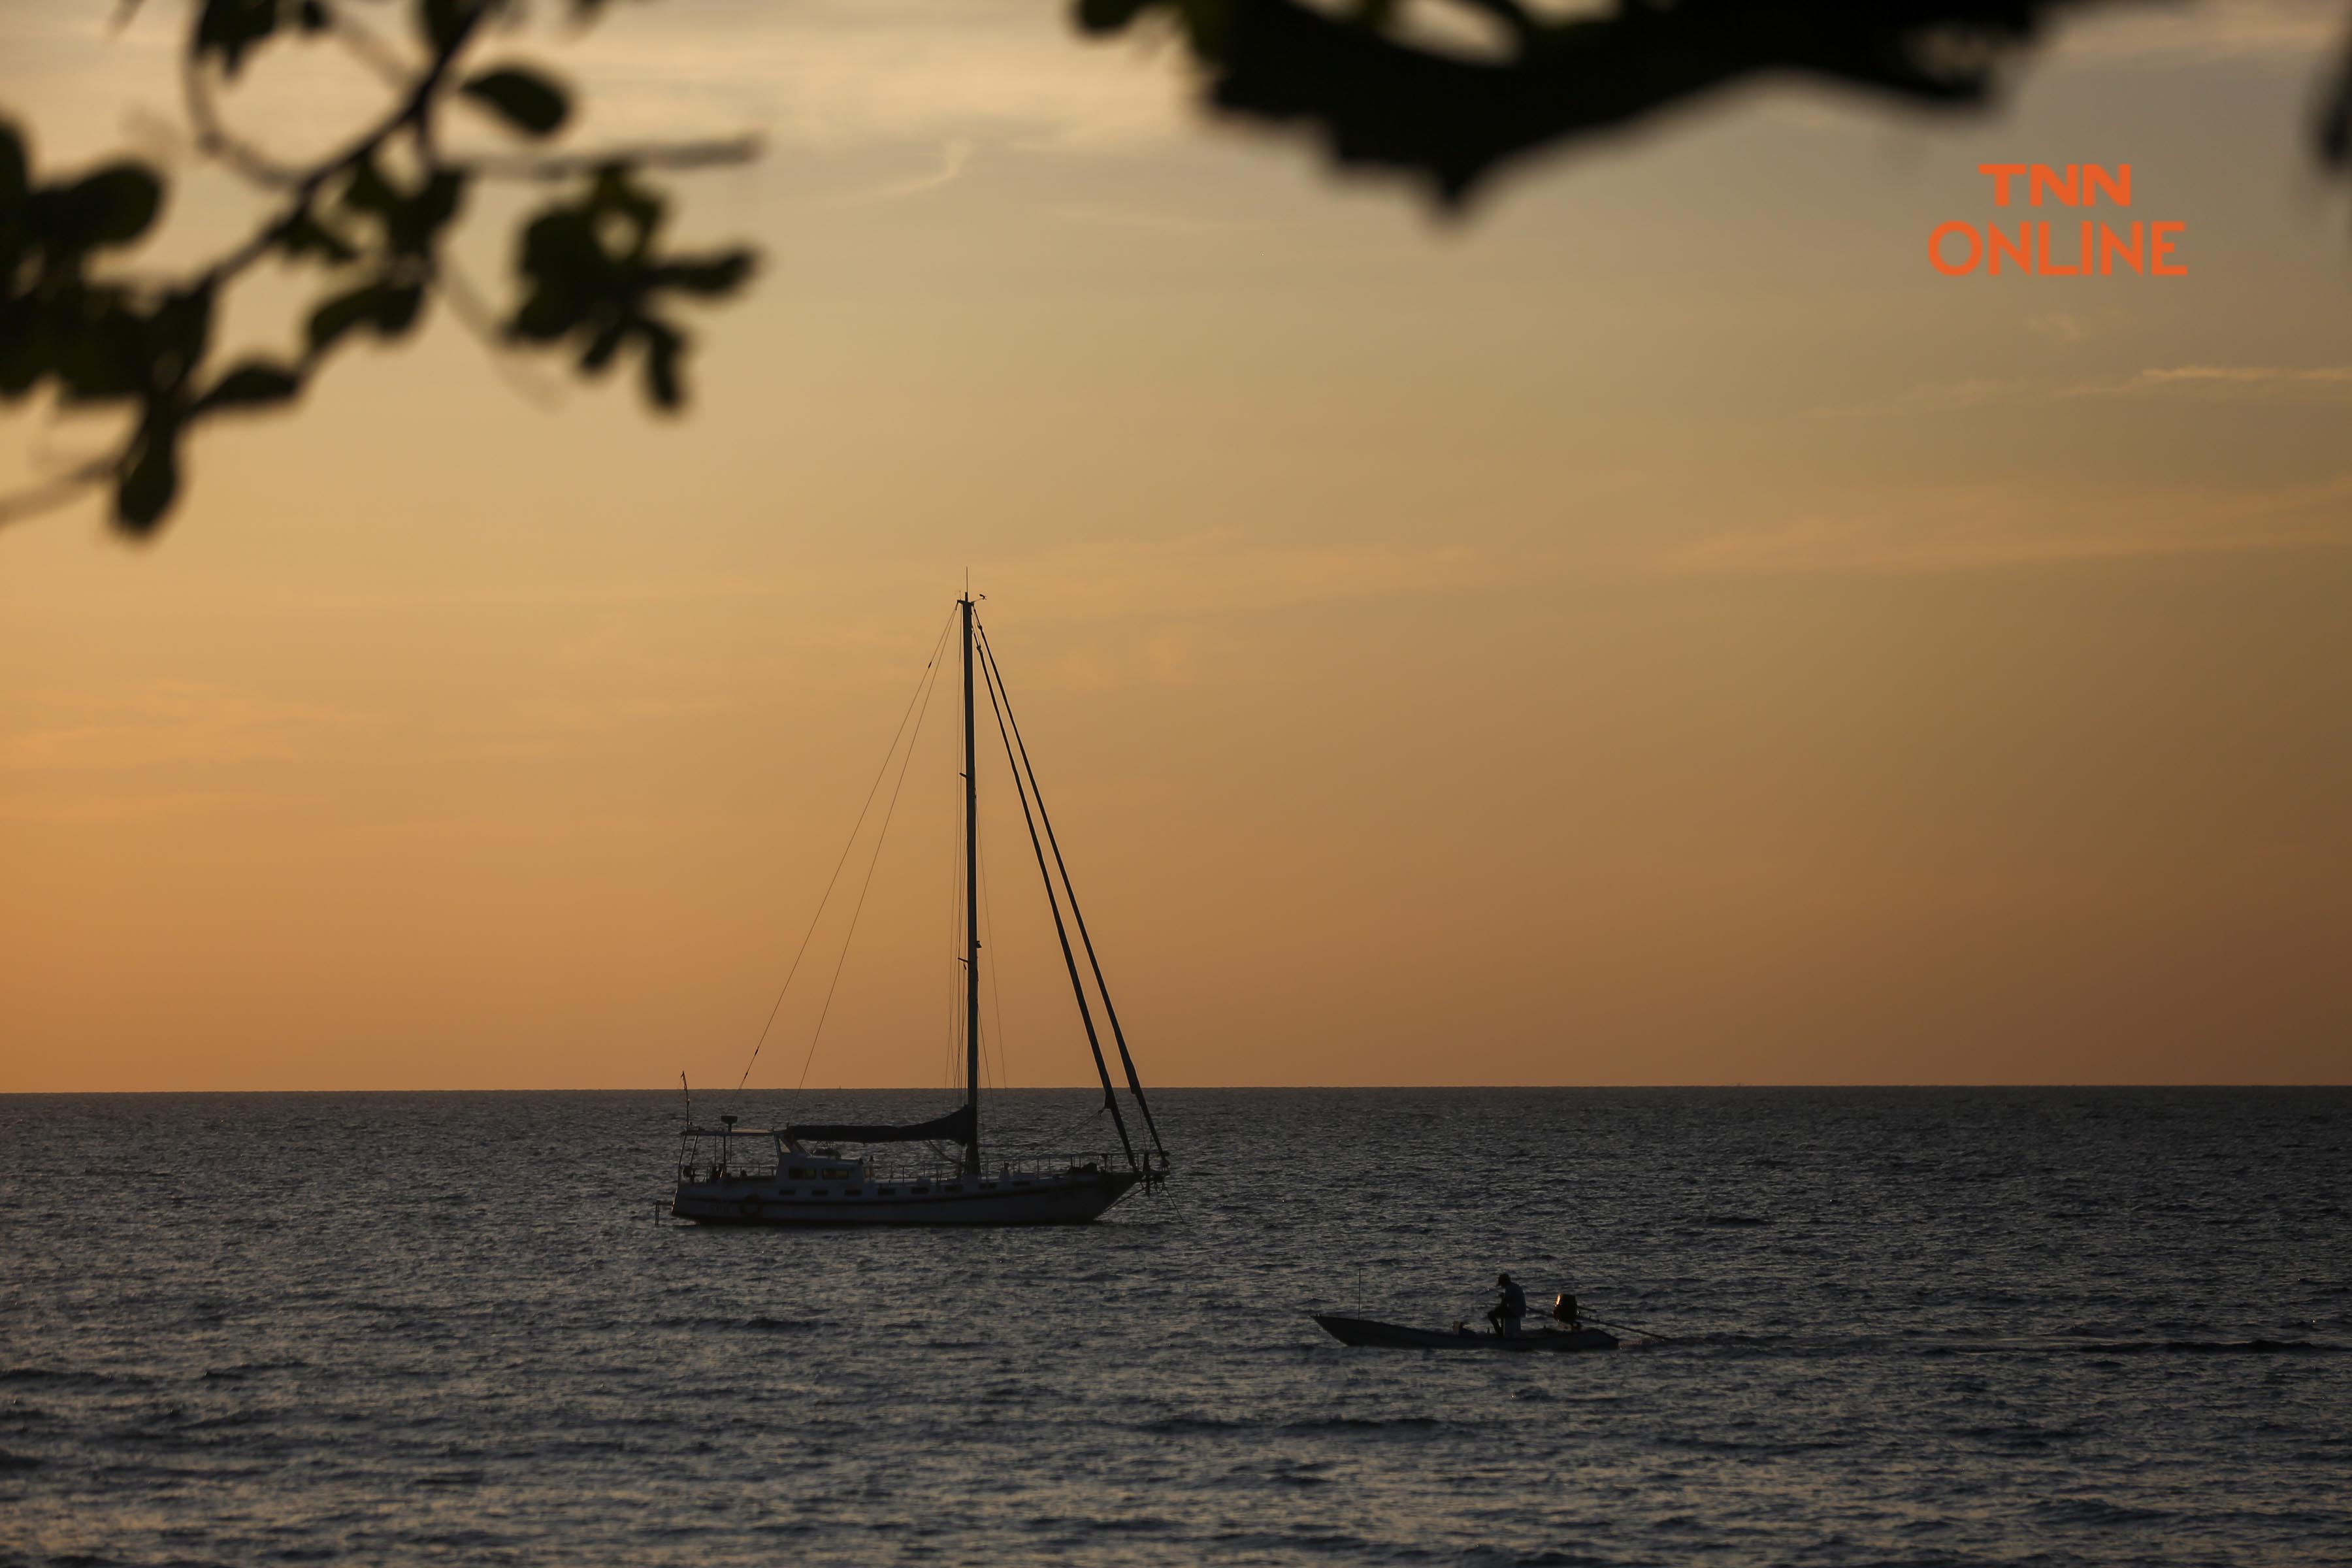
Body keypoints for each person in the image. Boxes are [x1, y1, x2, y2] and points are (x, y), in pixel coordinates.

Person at [1486, 1272, 1527, 1337]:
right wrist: (1504, 1298)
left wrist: (1502, 1298)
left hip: (1515, 1312)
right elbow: (1508, 1302)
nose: (1501, 1286)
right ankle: (1503, 1331)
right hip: (1521, 1311)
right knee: (1502, 1311)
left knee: (1491, 1314)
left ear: (1503, 1283)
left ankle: (1500, 1333)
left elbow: (1503, 1304)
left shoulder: (1509, 1288)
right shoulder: (1516, 1286)